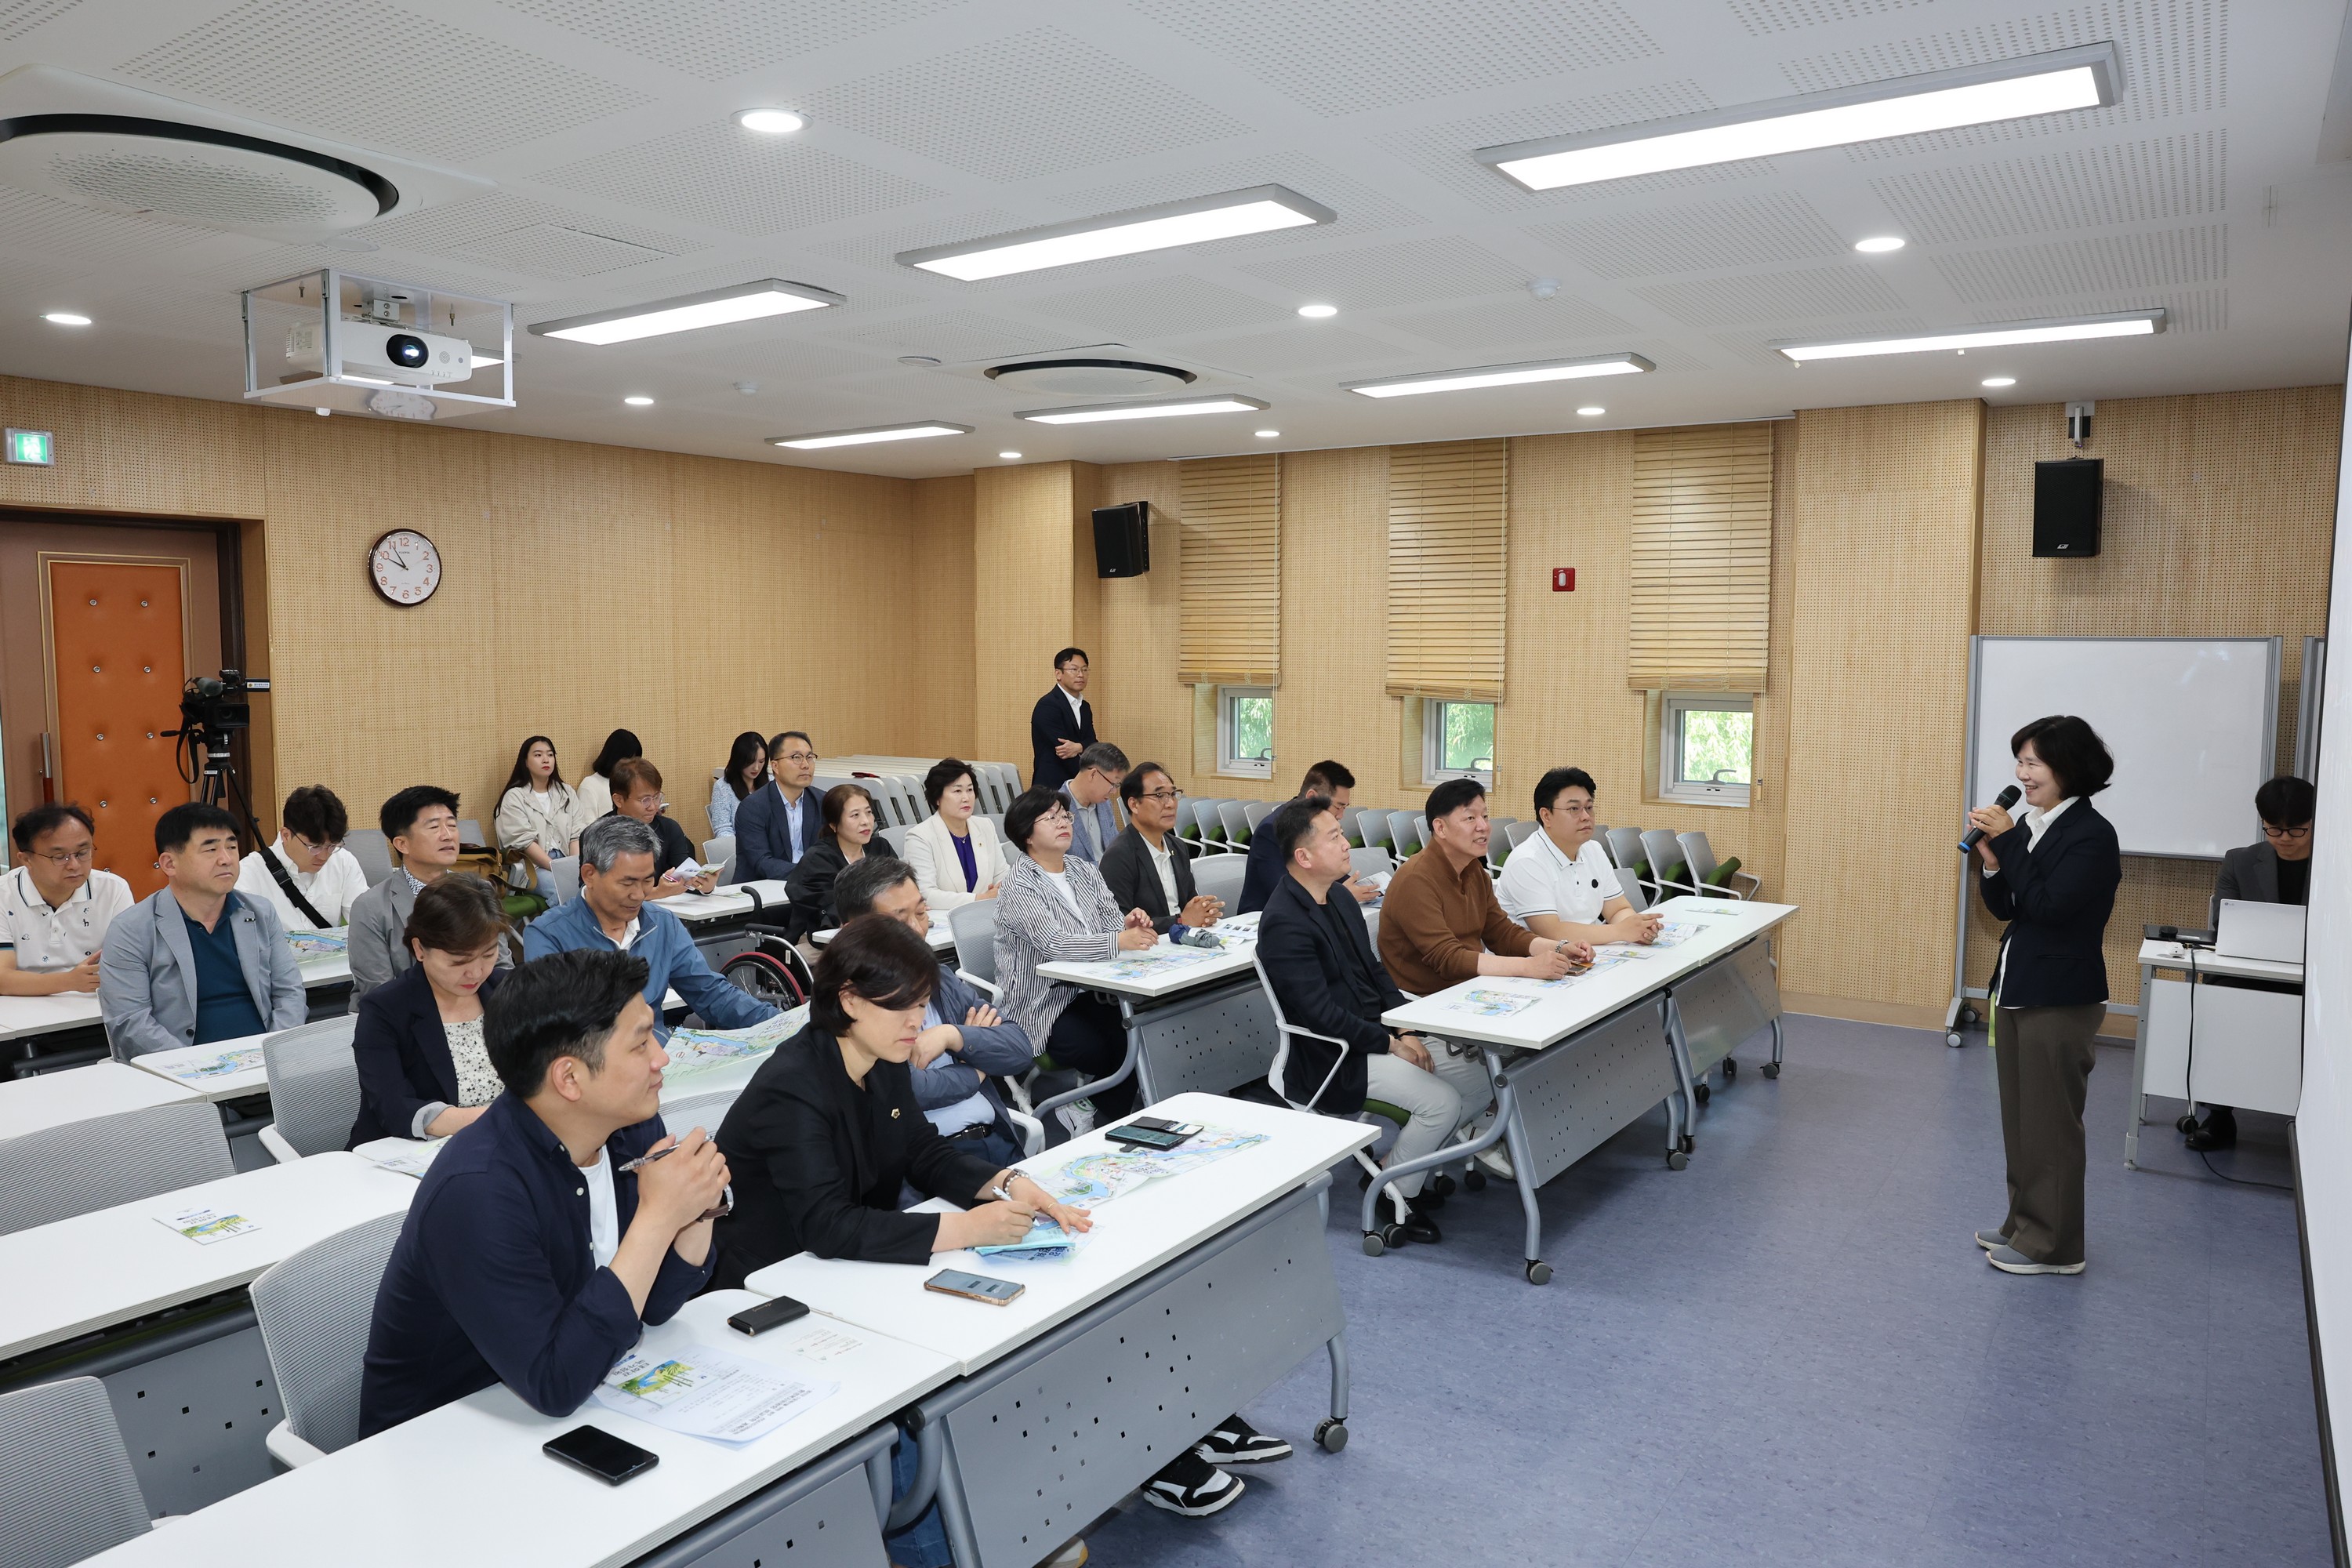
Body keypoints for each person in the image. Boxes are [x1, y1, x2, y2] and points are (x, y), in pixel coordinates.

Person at [710, 916, 1098, 1563]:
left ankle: (1000, 1527)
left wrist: (1004, 1182)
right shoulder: (794, 1086)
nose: (919, 1023)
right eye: (904, 1007)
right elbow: (825, 1224)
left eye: (923, 1005)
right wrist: (965, 1228)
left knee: (981, 1366)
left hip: (851, 1269)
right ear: (849, 1001)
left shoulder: (882, 1057)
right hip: (770, 1290)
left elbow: (922, 1151)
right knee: (913, 1416)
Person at [357, 949, 728, 1439]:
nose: (662, 1057)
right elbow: (556, 1384)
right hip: (439, 1445)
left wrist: (698, 1208)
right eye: (640, 1045)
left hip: (553, 1413)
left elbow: (650, 1308)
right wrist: (659, 1218)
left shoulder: (627, 1127)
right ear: (569, 1078)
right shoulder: (478, 1191)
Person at [1258, 795, 1489, 1244]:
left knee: (1480, 1078)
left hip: (1372, 1036)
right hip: (1330, 1056)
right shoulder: (1284, 922)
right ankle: (1397, 1197)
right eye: (1334, 837)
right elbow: (1319, 1015)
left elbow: (1376, 973)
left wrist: (1403, 1028)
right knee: (1441, 1103)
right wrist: (1389, 1044)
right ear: (1303, 857)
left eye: (1342, 833)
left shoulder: (1339, 899)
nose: (1347, 844)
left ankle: (1392, 1171)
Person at [1967, 713, 2122, 1278]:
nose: (2021, 773)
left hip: (2060, 998)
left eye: (2032, 762)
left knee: (2051, 1126)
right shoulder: (2039, 826)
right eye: (2021, 761)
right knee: (2022, 1119)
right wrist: (1992, 864)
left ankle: (2056, 1248)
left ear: (2068, 768)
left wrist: (2009, 844)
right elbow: (2013, 907)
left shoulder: (2090, 835)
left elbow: (2053, 909)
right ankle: (2023, 1223)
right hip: (2021, 989)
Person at [832, 855, 1036, 1170]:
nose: (916, 930)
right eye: (899, 920)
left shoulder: (939, 978)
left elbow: (1020, 1049)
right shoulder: (850, 1004)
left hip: (997, 1142)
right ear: (852, 931)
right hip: (925, 1166)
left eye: (922, 913)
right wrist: (978, 1067)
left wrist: (951, 1035)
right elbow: (914, 1090)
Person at [524, 815, 779, 1039]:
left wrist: (780, 1023)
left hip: (657, 1062)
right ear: (589, 874)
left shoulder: (662, 924)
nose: (639, 895)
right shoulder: (549, 935)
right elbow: (556, 1029)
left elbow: (710, 993)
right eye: (627, 883)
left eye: (648, 880)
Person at [993, 787, 1156, 1131]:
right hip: (1044, 1002)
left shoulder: (1084, 870)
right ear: (1027, 835)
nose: (1063, 823)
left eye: (1064, 816)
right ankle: (1094, 1111)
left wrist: (1126, 925)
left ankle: (1103, 1116)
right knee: (1101, 1047)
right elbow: (1054, 944)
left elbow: (1111, 922)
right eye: (1050, 818)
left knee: (1141, 1031)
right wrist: (1118, 940)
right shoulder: (1019, 885)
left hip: (1095, 990)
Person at [98, 803, 304, 1057]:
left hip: (265, 1061)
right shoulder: (131, 929)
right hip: (182, 1072)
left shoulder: (260, 912)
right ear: (169, 864)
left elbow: (290, 992)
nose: (226, 859)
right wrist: (196, 1066)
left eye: (231, 846)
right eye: (210, 850)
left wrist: (276, 1052)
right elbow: (130, 1021)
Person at [2181, 774, 2317, 1151]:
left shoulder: (2339, 864)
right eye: (2274, 831)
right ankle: (2220, 1115)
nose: (2285, 840)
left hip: (2317, 981)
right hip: (2255, 970)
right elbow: (2225, 923)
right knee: (2219, 998)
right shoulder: (2240, 861)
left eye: (2296, 831)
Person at [348, 874, 510, 1145]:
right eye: (459, 962)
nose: (476, 972)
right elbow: (395, 1107)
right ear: (420, 949)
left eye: (489, 954)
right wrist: (501, 1120)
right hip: (411, 1150)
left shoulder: (510, 992)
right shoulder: (385, 1010)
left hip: (505, 1142)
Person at [347, 786, 507, 1010]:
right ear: (402, 843)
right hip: (402, 1021)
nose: (448, 835)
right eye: (434, 827)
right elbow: (379, 990)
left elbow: (502, 969)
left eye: (452, 825)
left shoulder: (479, 890)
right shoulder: (371, 907)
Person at [1494, 767, 1663, 947]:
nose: (1586, 816)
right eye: (1574, 809)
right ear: (1546, 815)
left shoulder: (1593, 850)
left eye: (1589, 808)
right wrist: (1621, 931)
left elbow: (1617, 910)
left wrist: (1638, 928)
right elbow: (1552, 932)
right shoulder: (1527, 861)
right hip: (1535, 962)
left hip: (1587, 953)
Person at [2, 802, 132, 996]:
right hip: (21, 1016)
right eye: (59, 856)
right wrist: (70, 981)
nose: (74, 865)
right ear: (26, 860)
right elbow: (2, 979)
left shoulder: (113, 889)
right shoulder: (4, 895)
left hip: (95, 1011)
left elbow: (130, 965)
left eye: (82, 853)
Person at [1238, 760, 1381, 916]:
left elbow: (1330, 872)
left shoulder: (1321, 827)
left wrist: (1360, 888)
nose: (1341, 815)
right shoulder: (1271, 830)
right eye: (1338, 807)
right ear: (1312, 797)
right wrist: (1342, 895)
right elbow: (1283, 891)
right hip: (1264, 920)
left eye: (1345, 807)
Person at [1101, 763, 1223, 935]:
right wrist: (1180, 921)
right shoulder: (1119, 855)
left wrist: (1204, 912)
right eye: (1160, 795)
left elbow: (1190, 904)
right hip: (1147, 949)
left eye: (1173, 794)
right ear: (1134, 805)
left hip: (1183, 941)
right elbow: (1118, 924)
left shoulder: (1177, 846)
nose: (1170, 804)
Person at [235, 784, 367, 932]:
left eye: (332, 846)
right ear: (286, 835)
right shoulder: (249, 874)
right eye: (314, 847)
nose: (324, 856)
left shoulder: (343, 862)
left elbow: (366, 923)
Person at [902, 758, 1009, 912]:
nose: (966, 798)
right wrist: (980, 899)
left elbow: (1003, 874)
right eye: (957, 791)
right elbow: (926, 894)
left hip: (988, 915)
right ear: (938, 798)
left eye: (970, 790)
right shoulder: (919, 837)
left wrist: (1000, 890)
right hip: (946, 920)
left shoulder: (985, 826)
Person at [607, 757, 718, 898]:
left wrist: (704, 886)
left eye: (656, 797)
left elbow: (685, 875)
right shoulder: (598, 835)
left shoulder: (669, 828)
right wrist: (657, 893)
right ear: (619, 800)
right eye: (645, 800)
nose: (653, 807)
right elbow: (594, 893)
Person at [494, 735, 589, 901]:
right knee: (565, 892)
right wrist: (560, 870)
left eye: (550, 755)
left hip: (568, 860)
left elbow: (576, 833)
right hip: (534, 867)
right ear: (525, 762)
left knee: (594, 887)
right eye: (538, 755)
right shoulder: (515, 796)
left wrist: (574, 866)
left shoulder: (566, 792)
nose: (546, 759)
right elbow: (525, 843)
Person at [785, 782, 881, 939]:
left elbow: (898, 886)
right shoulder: (819, 859)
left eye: (869, 812)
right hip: (822, 938)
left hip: (875, 931)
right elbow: (829, 909)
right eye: (855, 815)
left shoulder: (880, 847)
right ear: (834, 825)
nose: (866, 821)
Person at [731, 730, 824, 884]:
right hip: (763, 892)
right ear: (775, 766)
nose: (806, 765)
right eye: (796, 758)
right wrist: (811, 874)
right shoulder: (753, 807)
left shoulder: (822, 801)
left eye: (809, 757)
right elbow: (762, 863)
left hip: (811, 890)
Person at [1029, 647, 1098, 793]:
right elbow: (1063, 751)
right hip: (1051, 788)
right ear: (1058, 674)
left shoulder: (1084, 707)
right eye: (1074, 669)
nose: (1081, 675)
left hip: (1078, 787)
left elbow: (1093, 742)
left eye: (1085, 670)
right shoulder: (1048, 705)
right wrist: (1092, 778)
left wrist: (1079, 747)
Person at [1057, 742, 1127, 865]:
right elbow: (1059, 866)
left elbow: (1116, 848)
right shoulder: (1055, 809)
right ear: (1093, 774)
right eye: (1113, 784)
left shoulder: (1104, 803)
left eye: (1117, 786)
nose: (1114, 791)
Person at [708, 731, 768, 840]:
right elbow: (722, 830)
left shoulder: (772, 783)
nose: (756, 768)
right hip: (741, 849)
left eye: (761, 761)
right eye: (750, 761)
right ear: (739, 760)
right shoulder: (723, 787)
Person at [575, 728, 641, 822]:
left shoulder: (635, 783)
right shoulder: (590, 785)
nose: (633, 767)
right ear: (615, 757)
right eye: (629, 761)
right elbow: (587, 830)